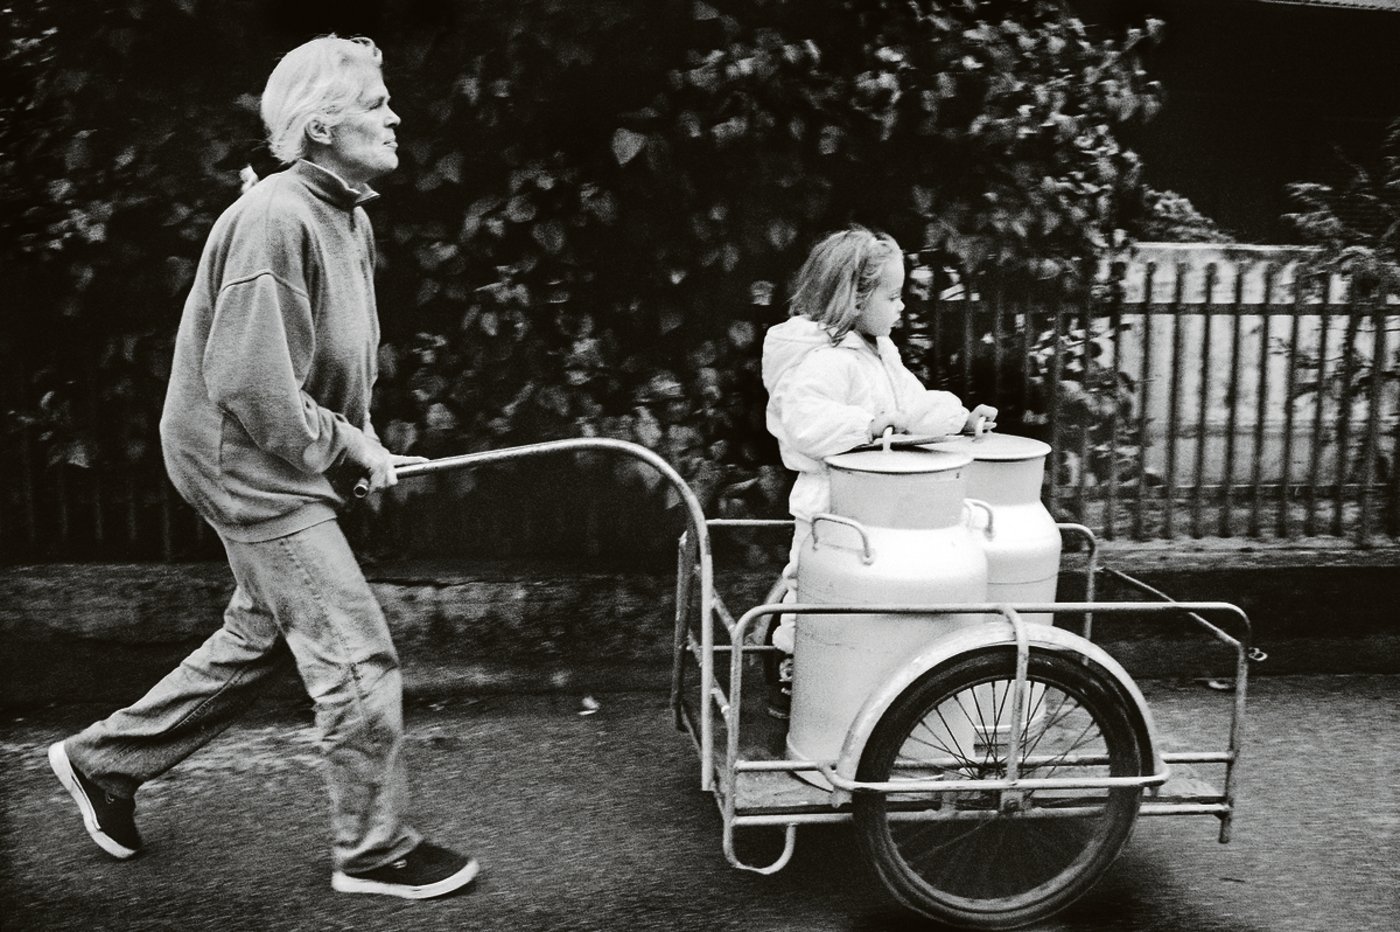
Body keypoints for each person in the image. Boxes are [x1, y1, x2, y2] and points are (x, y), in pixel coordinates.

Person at [46, 35, 480, 900]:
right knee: (354, 653)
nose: (395, 116)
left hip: (274, 453)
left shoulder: (345, 214)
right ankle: (374, 851)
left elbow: (331, 361)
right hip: (244, 464)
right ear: (321, 127)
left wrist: (360, 442)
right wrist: (343, 446)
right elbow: (250, 384)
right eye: (375, 104)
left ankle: (104, 763)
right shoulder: (275, 218)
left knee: (266, 635)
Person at [760, 225, 997, 717]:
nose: (902, 306)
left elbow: (912, 405)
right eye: (892, 296)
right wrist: (865, 425)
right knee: (814, 588)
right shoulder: (824, 361)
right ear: (854, 298)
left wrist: (959, 419)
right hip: (829, 501)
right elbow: (806, 424)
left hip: (872, 500)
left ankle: (857, 674)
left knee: (863, 594)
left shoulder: (878, 351)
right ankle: (792, 669)